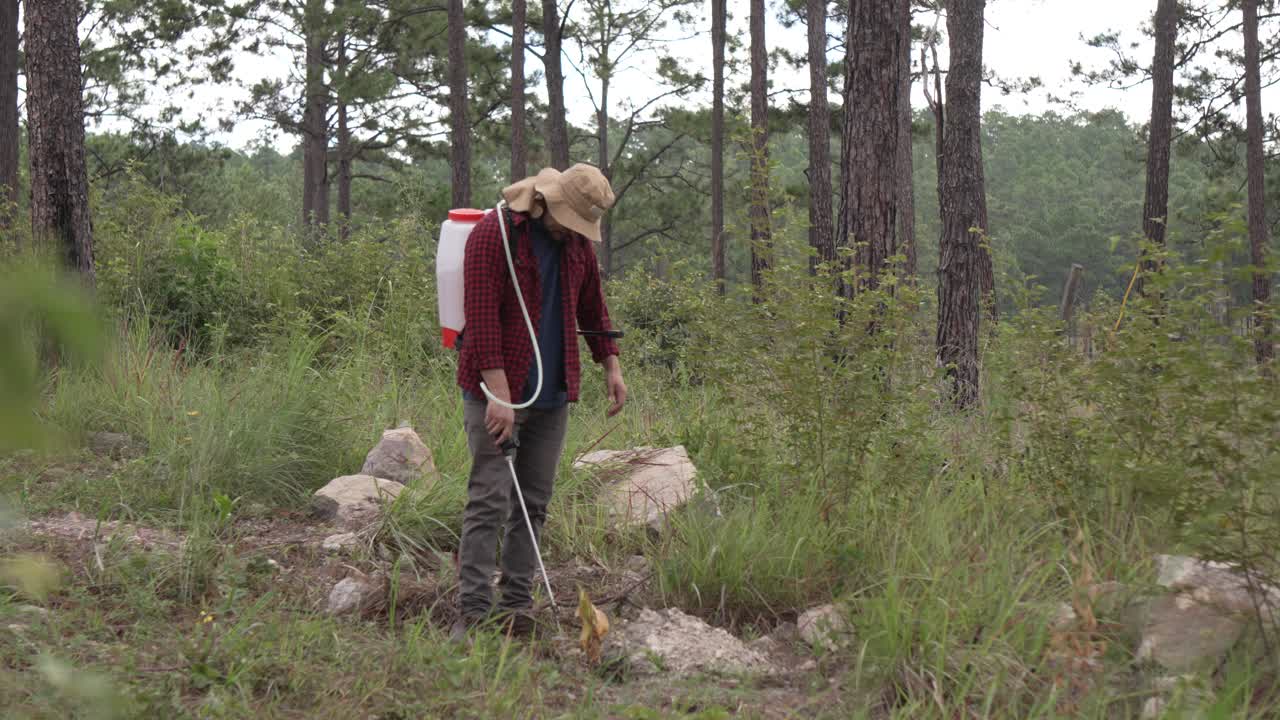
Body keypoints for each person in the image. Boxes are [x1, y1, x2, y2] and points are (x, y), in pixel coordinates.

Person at [452, 163, 626, 641]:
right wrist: (499, 397)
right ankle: (471, 611)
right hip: (498, 388)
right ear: (548, 201)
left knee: (533, 503)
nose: (574, 231)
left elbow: (593, 305)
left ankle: (515, 608)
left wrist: (610, 362)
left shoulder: (575, 246)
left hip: (553, 391)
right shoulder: (496, 234)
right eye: (569, 219)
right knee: (489, 498)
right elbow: (481, 315)